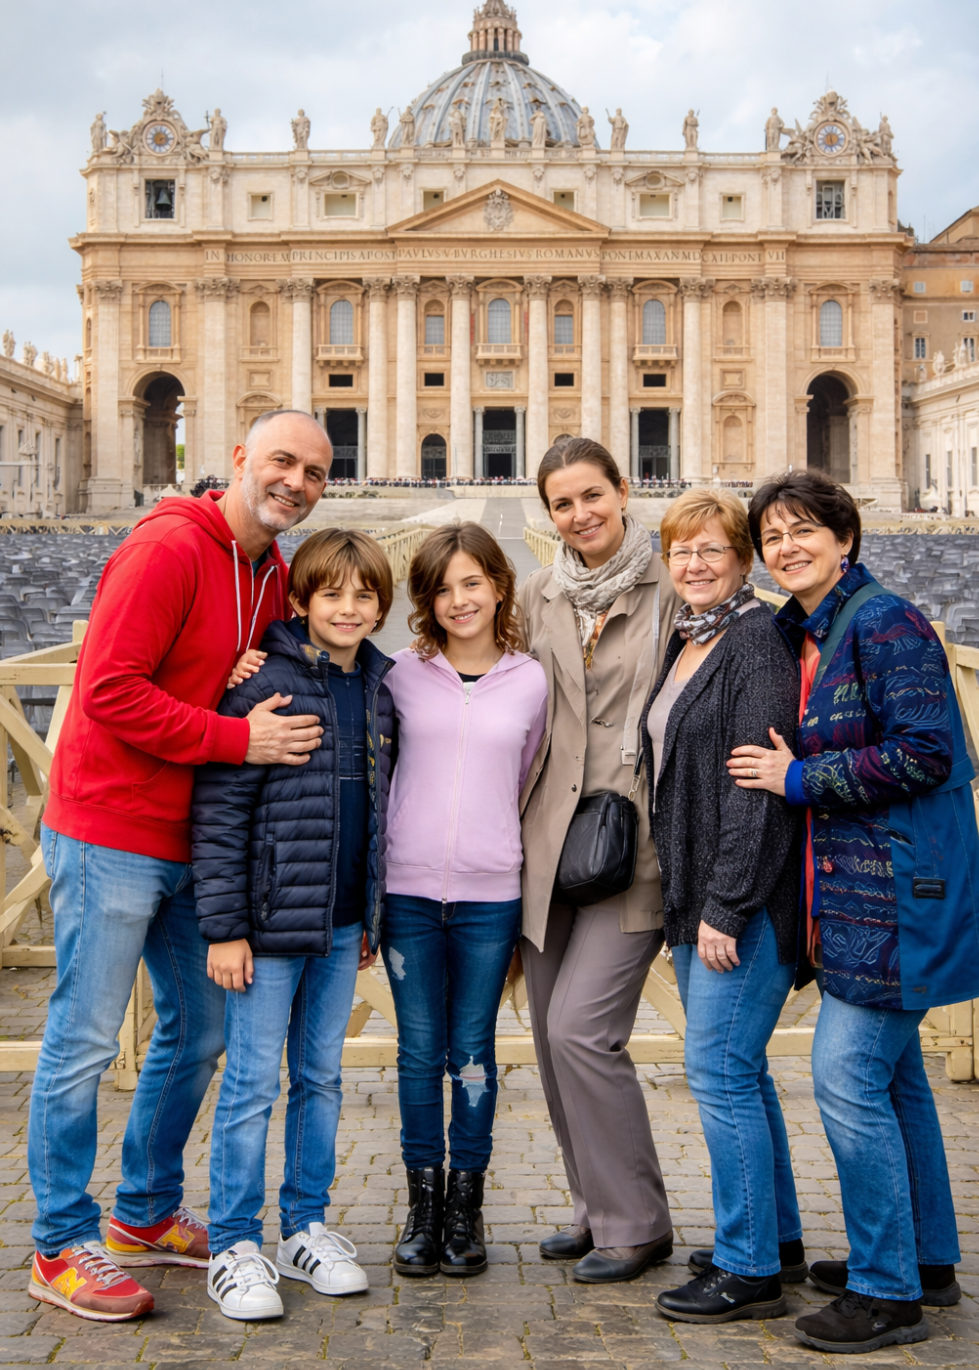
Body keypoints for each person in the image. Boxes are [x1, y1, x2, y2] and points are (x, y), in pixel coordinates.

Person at [28, 409, 331, 1323]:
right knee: (82, 1041)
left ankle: (146, 1211)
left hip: (190, 839)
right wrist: (237, 738)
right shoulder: (167, 548)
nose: (296, 482)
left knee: (197, 1029)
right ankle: (57, 1240)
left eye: (315, 472)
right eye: (282, 462)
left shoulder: (273, 571)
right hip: (111, 826)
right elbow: (112, 689)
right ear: (239, 460)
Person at [728, 468, 979, 1354]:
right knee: (897, 1078)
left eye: (804, 529)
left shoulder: (886, 621)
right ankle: (927, 1262)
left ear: (846, 538)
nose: (787, 546)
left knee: (845, 1078)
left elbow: (927, 751)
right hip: (861, 894)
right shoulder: (811, 625)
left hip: (896, 896)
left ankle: (886, 1292)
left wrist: (798, 778)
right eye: (772, 536)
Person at [190, 529, 395, 1319]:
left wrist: (371, 912)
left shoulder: (380, 688)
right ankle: (236, 1242)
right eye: (332, 594)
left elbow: (378, 812)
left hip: (343, 925)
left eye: (365, 595)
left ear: (382, 605)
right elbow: (218, 815)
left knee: (321, 1078)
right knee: (248, 1085)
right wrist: (225, 928)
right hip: (267, 928)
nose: (349, 608)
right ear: (300, 602)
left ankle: (305, 1226)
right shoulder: (261, 686)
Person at [639, 490, 804, 1327]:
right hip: (700, 893)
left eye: (710, 551)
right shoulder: (689, 640)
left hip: (744, 900)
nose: (694, 566)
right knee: (743, 1071)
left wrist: (727, 907)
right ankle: (775, 1241)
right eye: (680, 552)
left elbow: (757, 792)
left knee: (718, 1073)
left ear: (743, 559)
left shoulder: (755, 645)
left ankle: (747, 1270)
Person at [518, 437, 678, 1284]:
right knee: (549, 1035)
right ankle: (593, 1204)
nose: (580, 515)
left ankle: (638, 1221)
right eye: (562, 504)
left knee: (585, 1030)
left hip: (636, 841)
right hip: (548, 843)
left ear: (624, 490)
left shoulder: (674, 588)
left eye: (592, 495)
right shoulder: (539, 592)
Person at [382, 524, 546, 1278]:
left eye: (472, 582)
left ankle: (466, 1205)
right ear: (426, 600)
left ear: (500, 586)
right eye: (443, 588)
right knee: (419, 1055)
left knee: (473, 1055)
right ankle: (422, 1202)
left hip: (490, 895)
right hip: (407, 893)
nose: (459, 600)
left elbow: (536, 782)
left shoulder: (533, 681)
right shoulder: (398, 677)